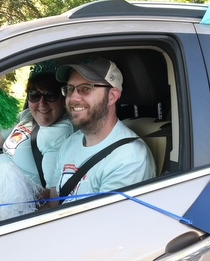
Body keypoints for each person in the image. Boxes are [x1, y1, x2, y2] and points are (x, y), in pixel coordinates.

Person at [45, 56, 155, 206]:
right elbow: (54, 201)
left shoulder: (129, 158)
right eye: (70, 89)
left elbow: (103, 226)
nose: (73, 97)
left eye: (85, 88)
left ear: (112, 96)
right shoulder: (70, 142)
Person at [0, 65, 73, 219]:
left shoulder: (59, 133)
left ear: (63, 98)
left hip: (14, 210)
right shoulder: (27, 116)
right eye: (34, 95)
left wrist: (10, 212)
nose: (42, 103)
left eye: (50, 95)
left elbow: (52, 196)